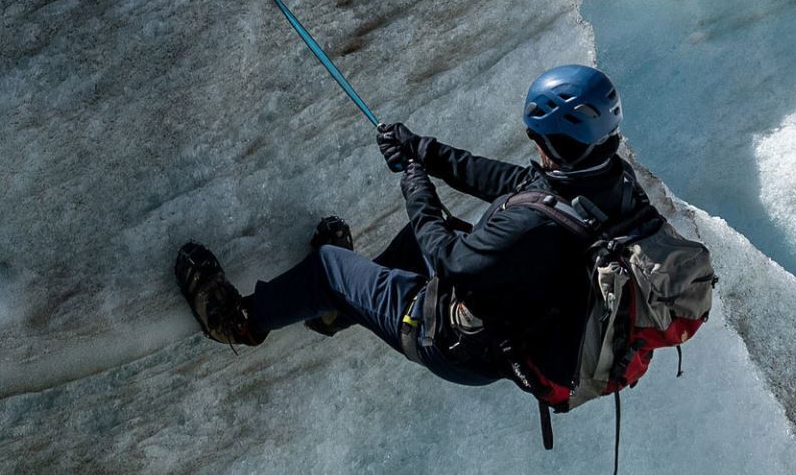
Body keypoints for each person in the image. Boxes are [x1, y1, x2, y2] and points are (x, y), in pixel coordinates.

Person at [175, 64, 650, 388]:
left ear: (556, 140)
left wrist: (413, 181)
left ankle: (238, 323)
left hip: (453, 340)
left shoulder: (529, 227)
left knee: (328, 268)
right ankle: (333, 311)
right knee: (408, 245)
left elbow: (449, 258)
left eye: (537, 138)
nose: (534, 148)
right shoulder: (611, 182)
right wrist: (424, 151)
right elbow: (512, 182)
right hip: (519, 316)